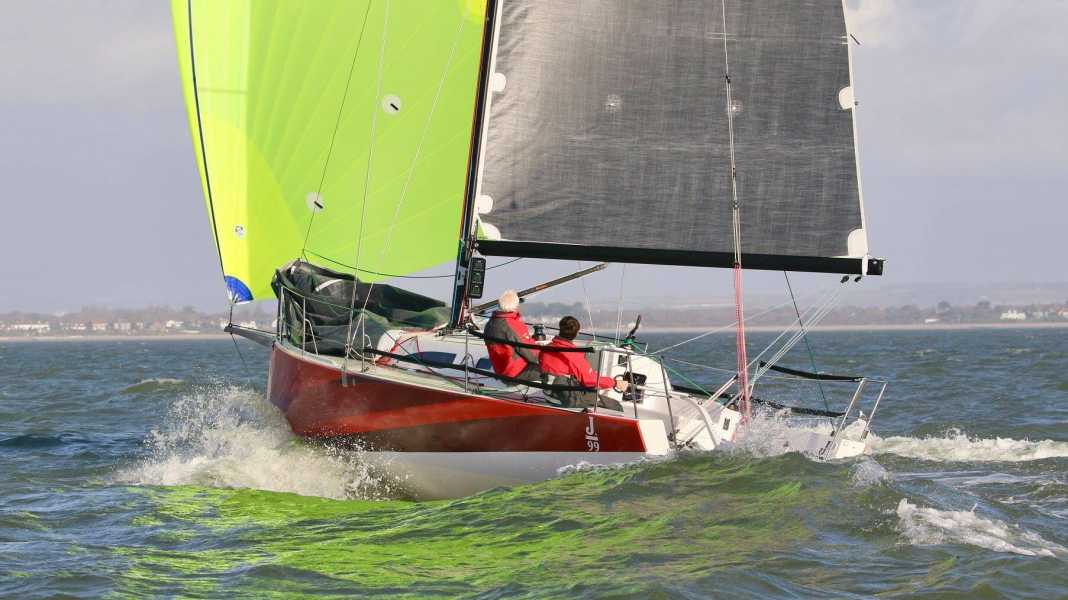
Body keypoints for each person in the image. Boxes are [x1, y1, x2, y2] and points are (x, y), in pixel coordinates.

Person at [539, 316, 627, 409]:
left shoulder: (546, 349)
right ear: (577, 333)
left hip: (549, 395)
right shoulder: (573, 354)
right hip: (566, 398)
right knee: (616, 405)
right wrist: (615, 382)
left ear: (560, 329)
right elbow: (590, 380)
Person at [484, 290, 542, 382]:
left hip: (501, 371)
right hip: (516, 372)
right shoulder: (513, 325)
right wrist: (547, 356)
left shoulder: (490, 324)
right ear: (516, 306)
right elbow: (530, 353)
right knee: (553, 372)